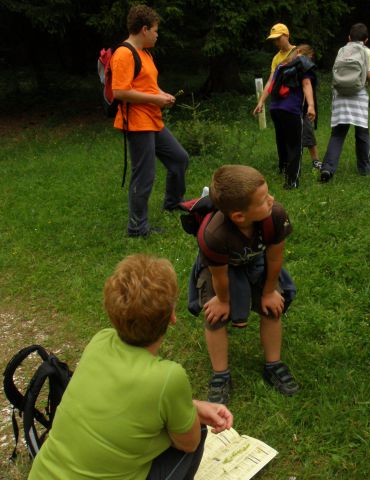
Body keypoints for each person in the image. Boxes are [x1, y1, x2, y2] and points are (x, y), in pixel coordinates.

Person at [29, 254, 233, 480]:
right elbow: (188, 443)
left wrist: (192, 406)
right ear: (172, 317)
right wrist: (191, 413)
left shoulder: (100, 341)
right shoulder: (168, 377)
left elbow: (126, 403)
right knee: (198, 430)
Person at [197, 165, 299, 404]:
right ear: (239, 216)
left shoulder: (275, 215)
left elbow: (274, 256)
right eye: (263, 199)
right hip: (221, 270)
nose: (272, 200)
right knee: (215, 316)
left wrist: (270, 291)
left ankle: (273, 364)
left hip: (257, 263)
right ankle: (220, 374)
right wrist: (223, 301)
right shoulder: (213, 234)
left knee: (273, 307)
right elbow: (219, 275)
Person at [111, 5, 189, 238]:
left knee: (179, 159)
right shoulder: (124, 54)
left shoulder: (145, 54)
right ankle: (137, 227)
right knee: (144, 175)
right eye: (155, 30)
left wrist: (162, 95)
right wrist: (156, 99)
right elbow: (119, 92)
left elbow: (147, 85)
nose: (157, 35)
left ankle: (173, 202)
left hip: (152, 119)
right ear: (144, 29)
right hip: (136, 122)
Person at [254, 25, 316, 189]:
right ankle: (291, 181)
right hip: (291, 108)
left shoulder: (281, 65)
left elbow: (271, 83)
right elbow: (307, 83)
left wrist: (263, 102)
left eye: (278, 38)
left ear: (287, 35)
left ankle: (284, 169)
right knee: (295, 144)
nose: (276, 42)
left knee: (285, 139)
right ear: (305, 55)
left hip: (276, 107)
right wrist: (311, 105)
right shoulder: (300, 61)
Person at [319, 23, 370, 183]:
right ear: (366, 40)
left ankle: (327, 168)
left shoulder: (342, 50)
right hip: (358, 96)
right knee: (362, 134)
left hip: (340, 96)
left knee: (338, 134)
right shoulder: (367, 52)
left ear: (349, 38)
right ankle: (364, 169)